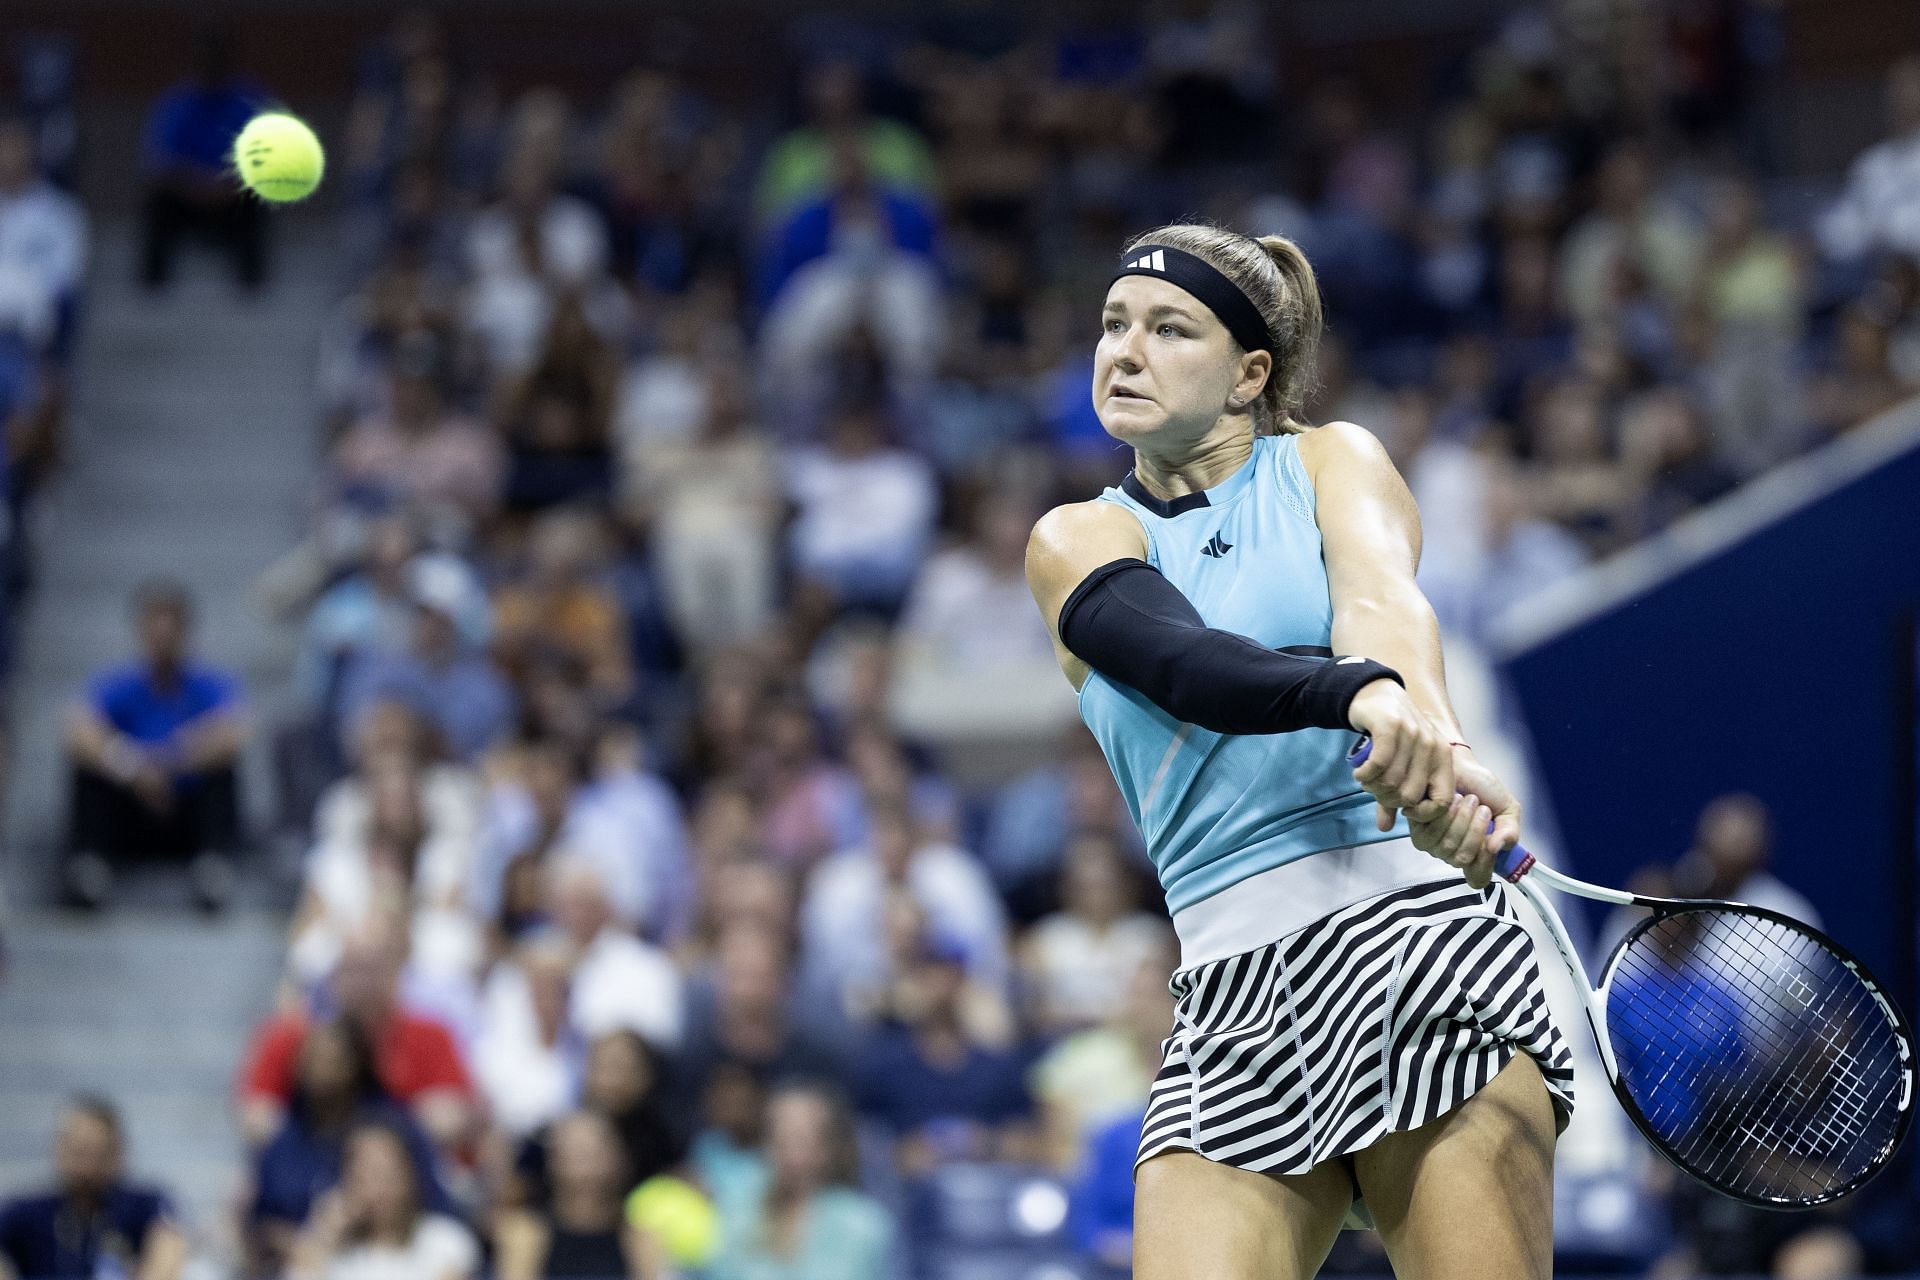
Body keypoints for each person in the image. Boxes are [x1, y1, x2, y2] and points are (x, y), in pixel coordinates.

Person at [1023, 224, 1575, 1278]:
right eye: (1112, 324)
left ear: (1249, 374)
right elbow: (1185, 660)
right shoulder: (1075, 538)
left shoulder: (1331, 458)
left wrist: (1431, 744)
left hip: (1416, 945)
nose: (1123, 351)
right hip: (1230, 996)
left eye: (1169, 328)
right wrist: (1356, 691)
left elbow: (1382, 603)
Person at [63, 579, 247, 911]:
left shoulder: (209, 684)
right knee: (87, 770)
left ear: (185, 632)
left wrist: (168, 764)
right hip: (129, 815)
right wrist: (130, 766)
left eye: (170, 629)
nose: (161, 639)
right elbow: (77, 730)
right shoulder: (119, 684)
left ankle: (213, 869)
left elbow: (234, 732)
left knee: (223, 772)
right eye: (153, 628)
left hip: (185, 816)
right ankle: (89, 868)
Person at [702, 1084, 894, 1280]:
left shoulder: (863, 1225)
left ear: (827, 1148)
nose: (789, 1152)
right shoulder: (735, 1211)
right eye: (779, 1138)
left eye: (801, 1139)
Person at [0, 1097, 186, 1280]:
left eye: (94, 1151)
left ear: (116, 1153)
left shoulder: (144, 1205)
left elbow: (166, 1252)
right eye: (76, 1150)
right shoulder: (28, 1212)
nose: (84, 1166)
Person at [140, 25, 268, 290]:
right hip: (186, 200)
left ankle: (253, 288)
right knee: (157, 203)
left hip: (233, 199)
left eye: (217, 56)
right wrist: (200, 187)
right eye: (205, 56)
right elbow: (158, 164)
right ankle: (152, 289)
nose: (211, 64)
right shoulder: (177, 101)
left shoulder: (249, 100)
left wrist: (223, 187)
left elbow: (264, 160)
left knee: (257, 199)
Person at [286, 1120, 479, 1280]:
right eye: (364, 1174)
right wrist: (325, 1232)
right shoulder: (327, 1245)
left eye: (386, 1174)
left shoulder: (445, 1239)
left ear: (410, 1176)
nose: (378, 1188)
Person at [492, 1111, 647, 1280]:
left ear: (617, 1159)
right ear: (553, 1161)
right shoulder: (525, 1233)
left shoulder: (639, 1239)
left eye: (594, 1153)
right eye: (575, 1153)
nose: (585, 1169)